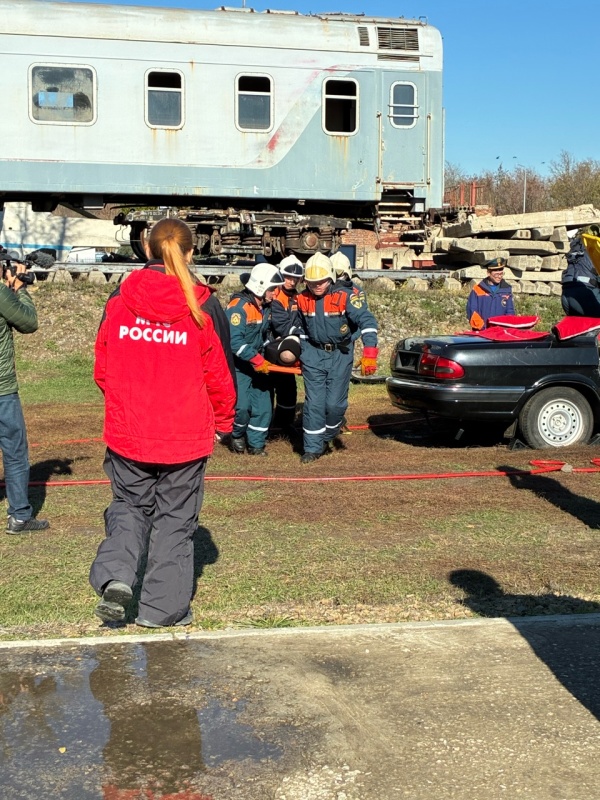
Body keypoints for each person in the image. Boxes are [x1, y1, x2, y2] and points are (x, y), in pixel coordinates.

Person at [90, 218, 236, 628]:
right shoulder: (203, 306)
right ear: (190, 253)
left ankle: (118, 576)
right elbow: (220, 376)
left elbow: (103, 370)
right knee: (175, 521)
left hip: (129, 432)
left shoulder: (119, 301)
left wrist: (127, 407)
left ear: (146, 249)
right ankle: (162, 610)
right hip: (184, 438)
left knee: (128, 507)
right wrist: (225, 422)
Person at [296, 252, 378, 463]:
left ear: (331, 278)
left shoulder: (346, 296)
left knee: (335, 405)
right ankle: (312, 449)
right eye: (312, 282)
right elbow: (299, 327)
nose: (317, 286)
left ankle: (327, 436)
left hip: (340, 354)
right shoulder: (302, 299)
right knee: (314, 403)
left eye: (321, 281)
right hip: (313, 354)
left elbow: (367, 321)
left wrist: (370, 352)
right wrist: (301, 351)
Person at [0, 258, 49, 533]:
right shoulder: (1, 293)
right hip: (2, 390)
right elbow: (28, 322)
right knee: (15, 452)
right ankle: (19, 515)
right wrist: (20, 289)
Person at [226, 262, 284, 456]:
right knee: (241, 406)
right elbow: (234, 342)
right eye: (272, 289)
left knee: (264, 406)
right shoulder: (238, 308)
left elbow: (266, 336)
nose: (275, 293)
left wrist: (277, 352)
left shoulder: (265, 307)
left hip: (259, 364)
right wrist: (255, 358)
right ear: (260, 286)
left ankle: (256, 444)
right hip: (240, 365)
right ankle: (237, 435)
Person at [270, 254, 304, 431]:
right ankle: (265, 424)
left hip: (288, 347)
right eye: (288, 277)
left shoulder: (298, 298)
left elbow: (301, 322)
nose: (292, 281)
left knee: (288, 389)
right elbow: (280, 325)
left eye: (295, 278)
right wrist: (297, 332)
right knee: (265, 390)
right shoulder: (274, 296)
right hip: (271, 348)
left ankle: (284, 424)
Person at [466, 257, 515, 330]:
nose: (499, 276)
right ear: (488, 273)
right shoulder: (477, 290)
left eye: (501, 274)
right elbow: (472, 311)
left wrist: (504, 328)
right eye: (496, 274)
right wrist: (482, 327)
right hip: (481, 332)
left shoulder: (507, 290)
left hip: (500, 332)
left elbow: (510, 312)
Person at [560, 230, 600, 317]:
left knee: (577, 328)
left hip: (566, 295)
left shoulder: (580, 246)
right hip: (585, 296)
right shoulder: (597, 251)